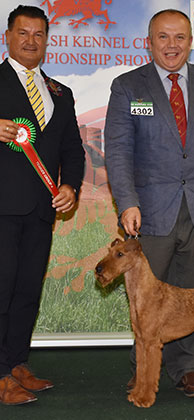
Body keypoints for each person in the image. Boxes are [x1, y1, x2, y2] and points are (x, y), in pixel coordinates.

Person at [104, 9, 194, 398]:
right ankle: (142, 372)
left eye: (180, 37)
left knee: (192, 298)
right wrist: (127, 203)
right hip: (148, 213)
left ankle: (188, 370)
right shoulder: (127, 87)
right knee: (146, 301)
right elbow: (118, 151)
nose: (172, 45)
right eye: (163, 37)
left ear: (190, 41)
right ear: (149, 42)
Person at [0, 5, 85, 405]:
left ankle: (16, 364)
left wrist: (70, 185)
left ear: (47, 41)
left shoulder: (60, 92)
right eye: (23, 33)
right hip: (2, 209)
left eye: (38, 34)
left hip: (42, 210)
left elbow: (72, 147)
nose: (31, 40)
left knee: (26, 292)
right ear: (7, 36)